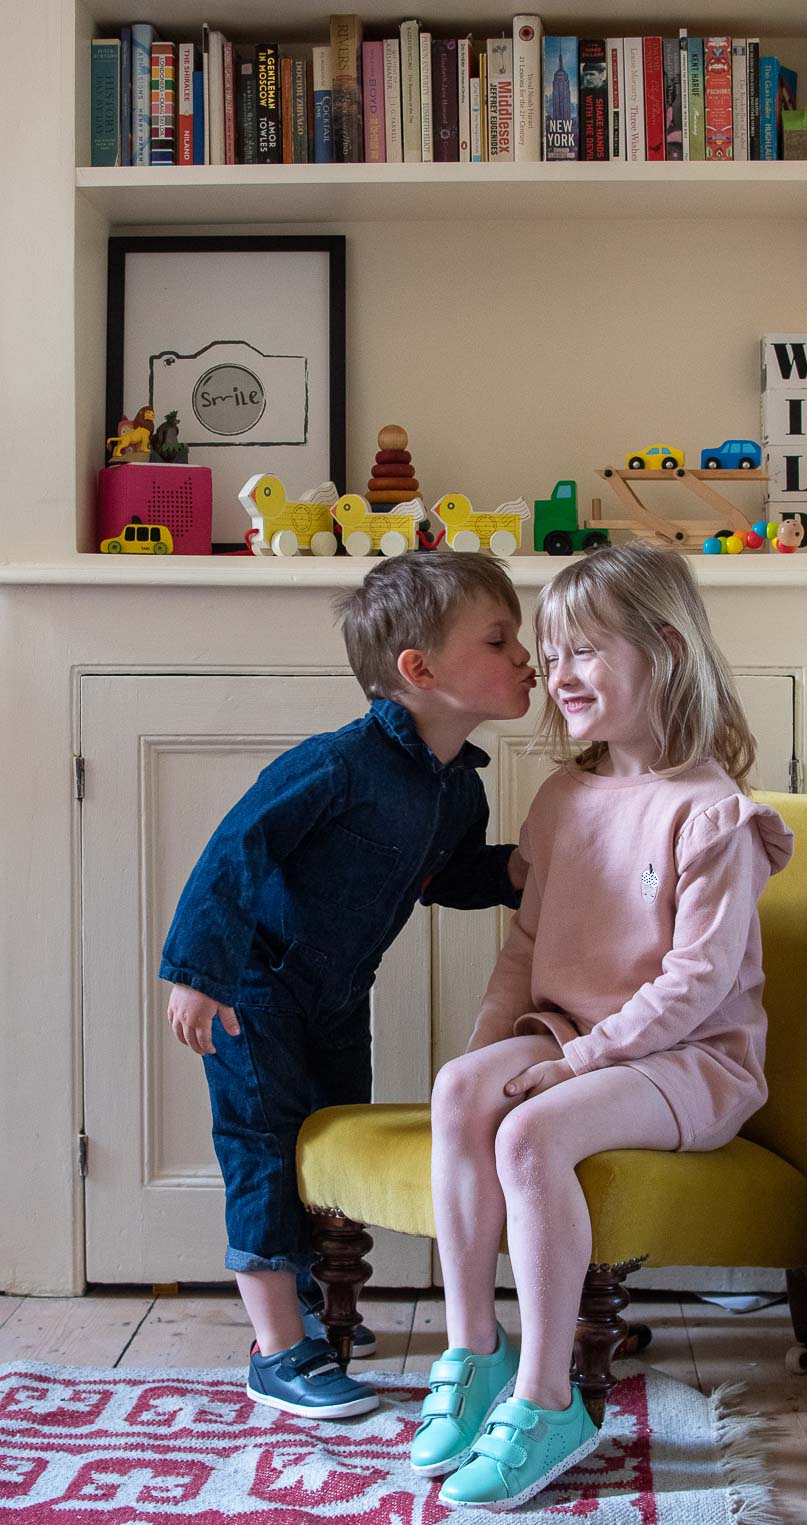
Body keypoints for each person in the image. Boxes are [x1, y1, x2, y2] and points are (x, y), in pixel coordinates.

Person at [412, 542, 793, 1510]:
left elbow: (699, 982)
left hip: (691, 1060)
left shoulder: (712, 814)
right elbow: (524, 946)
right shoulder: (562, 798)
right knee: (464, 1093)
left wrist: (575, 1062)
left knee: (535, 1129)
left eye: (584, 650)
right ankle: (475, 1352)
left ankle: (550, 1403)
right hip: (573, 1031)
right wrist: (491, 1051)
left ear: (663, 650)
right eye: (551, 651)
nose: (557, 673)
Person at [161, 552, 537, 1422]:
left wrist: (518, 869)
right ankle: (276, 1348)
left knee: (326, 1149)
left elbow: (446, 878)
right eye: (499, 639)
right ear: (420, 669)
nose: (527, 657)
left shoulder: (455, 790)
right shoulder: (338, 764)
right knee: (261, 1146)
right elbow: (235, 847)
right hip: (252, 992)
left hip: (336, 995)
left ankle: (311, 1303)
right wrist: (198, 973)